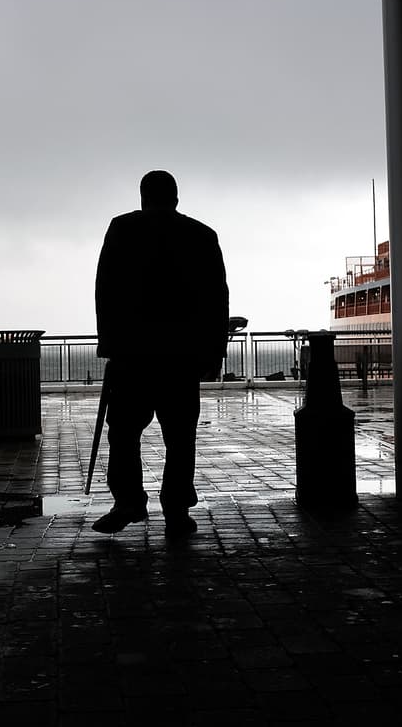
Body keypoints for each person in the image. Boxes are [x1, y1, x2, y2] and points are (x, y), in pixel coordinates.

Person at [92, 170, 229, 537]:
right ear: (176, 198)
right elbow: (216, 300)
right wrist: (214, 353)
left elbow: (105, 289)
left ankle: (128, 502)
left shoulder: (122, 229)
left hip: (132, 356)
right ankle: (177, 510)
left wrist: (110, 343)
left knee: (122, 433)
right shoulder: (201, 235)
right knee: (180, 437)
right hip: (181, 358)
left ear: (142, 197)